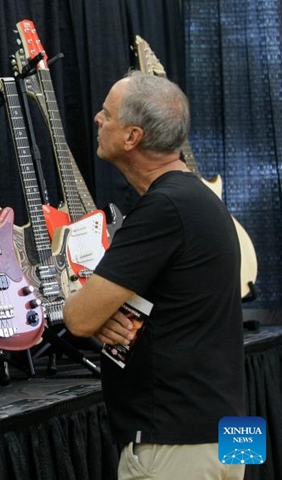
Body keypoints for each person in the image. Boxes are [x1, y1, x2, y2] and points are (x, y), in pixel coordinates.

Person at [63, 70, 246, 479]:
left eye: (107, 115)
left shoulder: (164, 210)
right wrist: (109, 313)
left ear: (132, 137)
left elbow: (78, 317)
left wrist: (98, 311)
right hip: (226, 433)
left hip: (178, 443)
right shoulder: (201, 198)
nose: (96, 118)